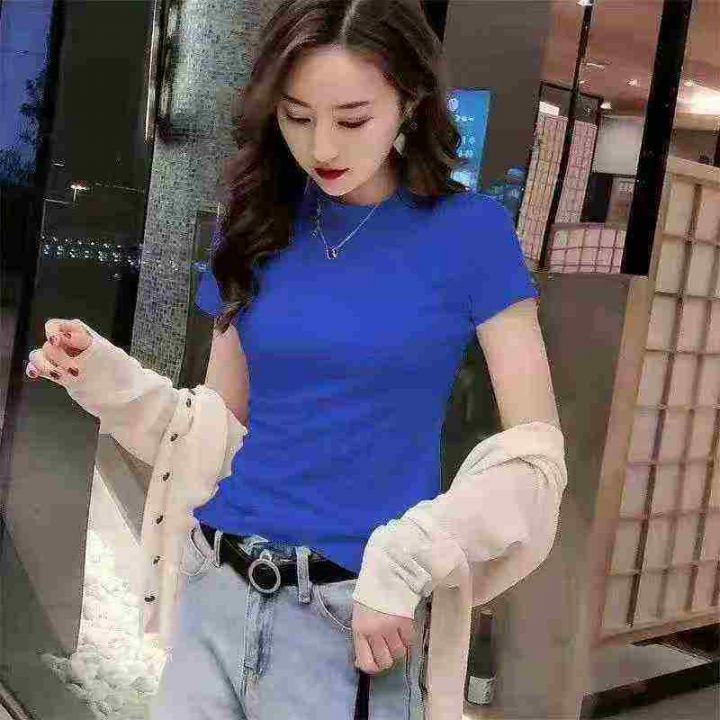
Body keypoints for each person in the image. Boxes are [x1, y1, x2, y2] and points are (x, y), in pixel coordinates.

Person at [26, 1, 564, 717]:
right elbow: (213, 428)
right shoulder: (257, 224)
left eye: (352, 119)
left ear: (409, 103)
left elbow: (536, 458)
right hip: (215, 591)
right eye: (297, 116)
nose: (322, 146)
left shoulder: (470, 234)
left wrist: (409, 558)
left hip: (353, 619)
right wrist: (103, 375)